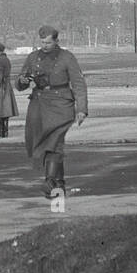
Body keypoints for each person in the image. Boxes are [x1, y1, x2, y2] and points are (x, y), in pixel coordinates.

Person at [16, 25, 88, 197]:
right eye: (42, 42)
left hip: (61, 105)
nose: (45, 46)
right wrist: (23, 80)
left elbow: (78, 83)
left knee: (54, 142)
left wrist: (82, 109)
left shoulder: (67, 57)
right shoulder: (33, 57)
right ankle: (59, 183)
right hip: (40, 105)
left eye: (48, 42)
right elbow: (19, 84)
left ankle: (49, 181)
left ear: (56, 41)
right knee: (47, 145)